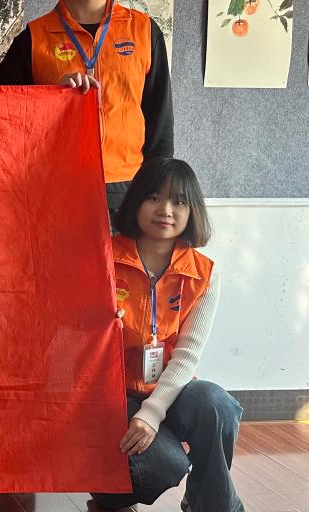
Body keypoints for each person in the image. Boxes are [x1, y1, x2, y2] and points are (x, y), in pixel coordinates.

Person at [0, 0, 172, 214]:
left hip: (128, 184)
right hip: (53, 183)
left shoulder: (143, 30)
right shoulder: (33, 37)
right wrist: (52, 97)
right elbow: (2, 112)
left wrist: (159, 187)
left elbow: (159, 115)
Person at [91, 158, 244, 512]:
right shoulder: (102, 258)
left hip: (168, 390)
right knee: (164, 465)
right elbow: (71, 337)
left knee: (217, 404)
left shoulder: (203, 274)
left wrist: (152, 412)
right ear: (136, 201)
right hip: (112, 394)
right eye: (154, 197)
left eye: (179, 201)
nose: (166, 210)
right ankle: (109, 500)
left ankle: (212, 506)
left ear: (193, 211)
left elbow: (188, 355)